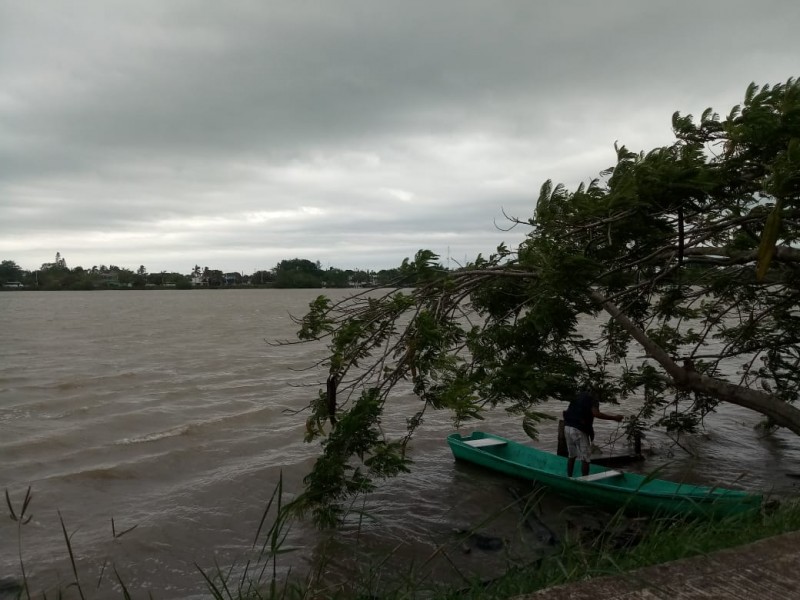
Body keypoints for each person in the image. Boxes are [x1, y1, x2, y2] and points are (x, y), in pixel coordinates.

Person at [563, 389, 624, 477]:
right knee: (586, 458)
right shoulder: (593, 398)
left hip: (567, 426)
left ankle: (569, 477)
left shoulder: (578, 395)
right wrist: (614, 418)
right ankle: (585, 481)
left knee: (572, 455)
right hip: (578, 429)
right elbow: (596, 413)